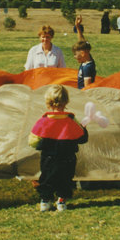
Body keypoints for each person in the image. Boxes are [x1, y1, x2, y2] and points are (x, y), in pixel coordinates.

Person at [29, 84, 88, 212]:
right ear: (66, 101)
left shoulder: (43, 120)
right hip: (68, 157)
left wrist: (41, 144)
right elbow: (82, 137)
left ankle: (45, 200)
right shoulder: (71, 120)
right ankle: (61, 201)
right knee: (65, 179)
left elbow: (32, 141)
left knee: (46, 178)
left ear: (47, 102)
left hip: (48, 157)